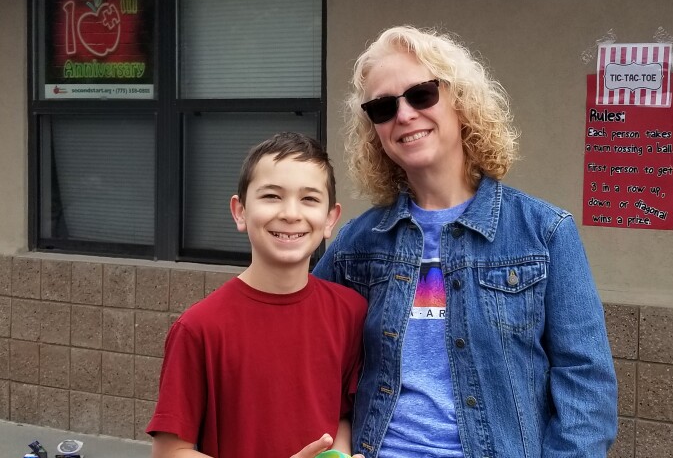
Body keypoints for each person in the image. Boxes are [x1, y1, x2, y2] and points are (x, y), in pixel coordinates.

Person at [312, 26, 618, 457]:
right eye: (382, 107)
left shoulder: (544, 232)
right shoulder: (358, 243)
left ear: (461, 102)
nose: (404, 115)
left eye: (421, 95)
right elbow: (300, 342)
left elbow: (585, 382)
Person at [147, 132, 367, 458]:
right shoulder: (199, 327)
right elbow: (169, 451)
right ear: (240, 212)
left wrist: (338, 453)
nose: (291, 213)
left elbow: (341, 416)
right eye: (272, 196)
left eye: (309, 199)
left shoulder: (350, 311)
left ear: (330, 219)